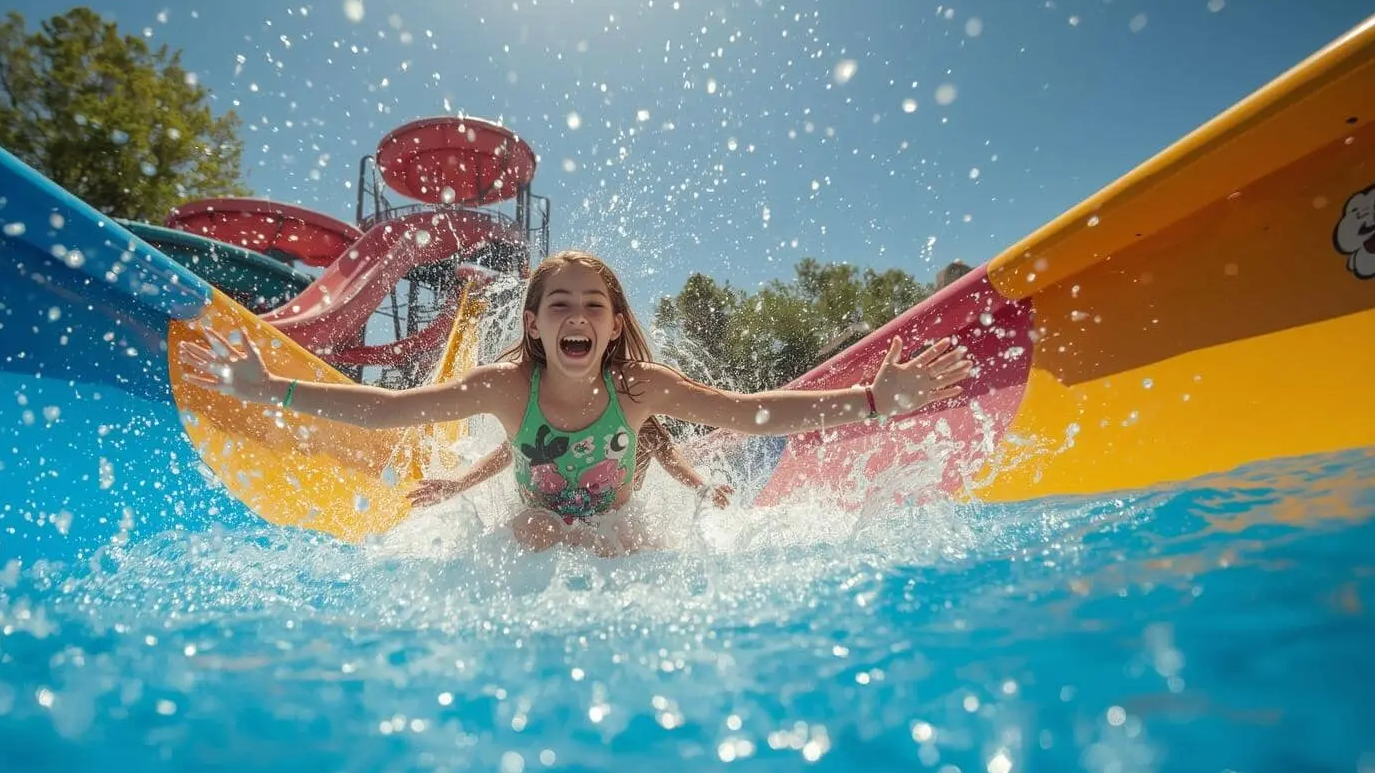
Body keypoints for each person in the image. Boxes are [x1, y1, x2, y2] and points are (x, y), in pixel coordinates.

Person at [179, 250, 972, 556]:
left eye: (595, 304)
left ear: (615, 322)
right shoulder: (504, 386)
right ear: (532, 323)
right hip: (540, 522)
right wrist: (269, 388)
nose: (578, 317)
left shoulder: (638, 391)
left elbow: (748, 413)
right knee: (528, 526)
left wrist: (873, 399)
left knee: (633, 552)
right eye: (560, 304)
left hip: (619, 524)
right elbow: (391, 411)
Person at [405, 416, 735, 510]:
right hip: (547, 511)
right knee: (537, 530)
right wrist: (458, 484)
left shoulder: (631, 410)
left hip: (610, 515)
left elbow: (666, 452)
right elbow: (512, 450)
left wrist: (701, 486)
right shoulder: (550, 407)